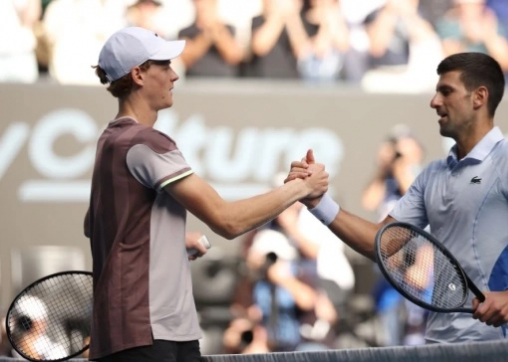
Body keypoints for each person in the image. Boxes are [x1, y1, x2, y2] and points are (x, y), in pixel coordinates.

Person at [286, 52, 508, 343]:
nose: (434, 101)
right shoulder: (432, 175)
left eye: (446, 91)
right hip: (438, 344)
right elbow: (382, 243)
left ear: (479, 97)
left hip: (495, 346)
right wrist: (317, 202)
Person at [85, 26, 328, 362]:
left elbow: (102, 227)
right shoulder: (145, 142)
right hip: (150, 335)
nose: (174, 76)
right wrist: (302, 189)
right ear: (138, 74)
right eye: (165, 66)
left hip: (139, 333)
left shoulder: (109, 142)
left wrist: (169, 240)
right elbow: (227, 221)